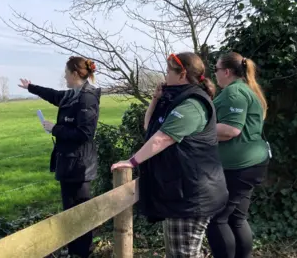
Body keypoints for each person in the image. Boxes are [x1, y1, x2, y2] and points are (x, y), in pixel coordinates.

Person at [111, 52, 228, 257]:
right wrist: (155, 100)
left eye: (168, 70)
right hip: (181, 191)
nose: (165, 75)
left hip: (191, 194)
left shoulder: (192, 104)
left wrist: (131, 162)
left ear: (182, 74)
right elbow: (150, 127)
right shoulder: (176, 99)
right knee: (181, 252)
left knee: (183, 254)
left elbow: (163, 138)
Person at [18, 56, 101, 258]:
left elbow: (84, 134)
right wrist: (31, 87)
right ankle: (74, 250)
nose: (64, 77)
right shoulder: (73, 95)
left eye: (66, 74)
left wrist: (55, 128)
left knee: (79, 212)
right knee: (69, 211)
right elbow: (54, 95)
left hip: (80, 166)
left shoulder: (86, 98)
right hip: (69, 163)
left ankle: (81, 252)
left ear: (74, 74)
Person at [205, 52, 270, 258]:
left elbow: (232, 129)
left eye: (215, 69)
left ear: (227, 71)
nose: (214, 74)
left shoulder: (234, 93)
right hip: (251, 163)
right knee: (236, 218)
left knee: (217, 219)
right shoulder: (246, 89)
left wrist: (198, 129)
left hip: (239, 166)